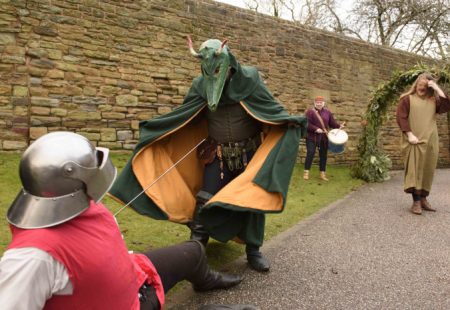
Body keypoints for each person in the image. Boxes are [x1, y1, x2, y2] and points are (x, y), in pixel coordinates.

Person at [109, 37, 307, 273]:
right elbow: (186, 115)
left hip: (249, 153)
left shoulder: (250, 80)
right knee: (204, 198)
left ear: (229, 62)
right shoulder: (199, 85)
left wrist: (289, 123)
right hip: (218, 154)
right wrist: (159, 132)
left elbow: (269, 109)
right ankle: (197, 248)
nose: (211, 74)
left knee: (252, 200)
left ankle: (253, 251)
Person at [0, 132, 244, 310]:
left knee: (194, 251)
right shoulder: (31, 258)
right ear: (72, 180)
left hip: (135, 277)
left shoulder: (84, 204)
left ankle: (206, 281)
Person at [396, 73, 450, 215]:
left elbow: (447, 105)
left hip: (431, 140)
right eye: (420, 85)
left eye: (425, 86)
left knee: (428, 169)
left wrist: (437, 88)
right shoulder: (407, 99)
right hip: (414, 141)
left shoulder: (434, 100)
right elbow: (401, 117)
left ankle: (424, 199)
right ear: (416, 84)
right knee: (415, 171)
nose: (422, 88)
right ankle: (416, 202)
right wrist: (409, 134)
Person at [303, 96, 344, 181]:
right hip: (312, 137)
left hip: (323, 138)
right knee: (310, 153)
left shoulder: (327, 112)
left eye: (320, 102)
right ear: (315, 103)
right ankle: (306, 172)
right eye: (317, 102)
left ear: (323, 103)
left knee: (323, 155)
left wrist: (339, 126)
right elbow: (306, 124)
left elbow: (332, 123)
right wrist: (316, 129)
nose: (319, 103)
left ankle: (322, 174)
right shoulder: (310, 112)